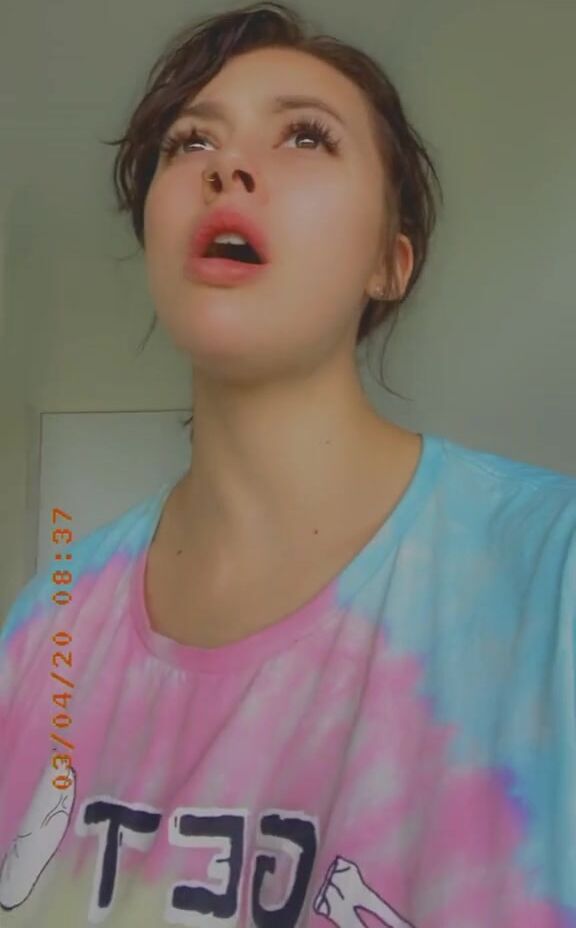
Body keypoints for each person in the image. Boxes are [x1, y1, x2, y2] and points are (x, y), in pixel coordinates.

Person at [0, 2, 574, 925]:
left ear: (390, 263)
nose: (225, 167)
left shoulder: (554, 577)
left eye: (306, 135)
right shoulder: (43, 633)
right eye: (190, 142)